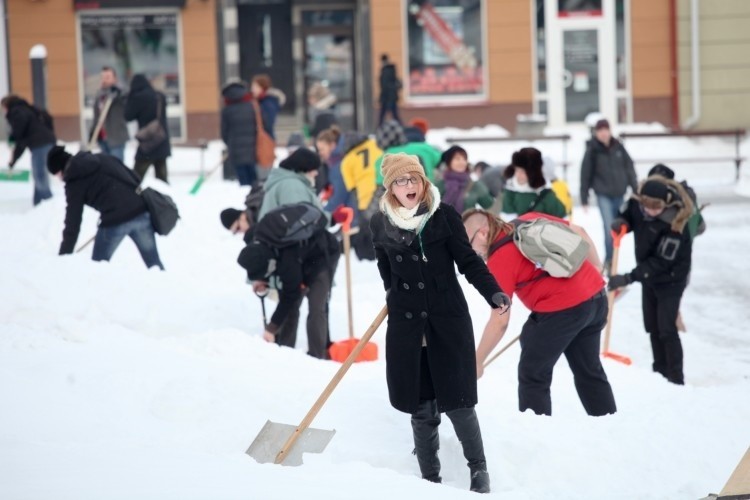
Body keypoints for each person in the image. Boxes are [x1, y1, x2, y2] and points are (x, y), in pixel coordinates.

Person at [370, 152, 511, 493]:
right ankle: (429, 476)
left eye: (414, 179)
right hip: (408, 325)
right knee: (421, 404)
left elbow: (468, 262)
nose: (410, 186)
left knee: (459, 400)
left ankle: (479, 471)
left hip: (447, 320)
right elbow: (385, 271)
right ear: (391, 188)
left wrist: (493, 292)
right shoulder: (381, 223)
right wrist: (397, 295)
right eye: (401, 181)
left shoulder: (444, 216)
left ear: (423, 181)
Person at [462, 209, 617, 417]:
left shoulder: (499, 258)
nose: (474, 254)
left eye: (470, 246)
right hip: (596, 299)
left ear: (482, 233)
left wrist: (477, 361)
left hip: (564, 311)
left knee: (532, 373)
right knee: (589, 370)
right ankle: (606, 421)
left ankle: (535, 436)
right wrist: (597, 267)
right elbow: (579, 231)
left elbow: (500, 321)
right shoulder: (528, 220)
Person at [238, 147, 342, 359]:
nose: (316, 174)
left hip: (316, 254)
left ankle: (312, 356)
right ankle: (290, 354)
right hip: (305, 255)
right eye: (313, 170)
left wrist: (261, 278)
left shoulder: (285, 185)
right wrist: (260, 278)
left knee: (310, 305)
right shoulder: (292, 187)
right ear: (303, 169)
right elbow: (309, 220)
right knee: (301, 304)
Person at [608, 177, 695, 385]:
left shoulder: (676, 222)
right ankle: (660, 374)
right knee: (652, 327)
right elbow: (628, 214)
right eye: (647, 208)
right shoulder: (639, 206)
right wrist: (623, 222)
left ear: (665, 204)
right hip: (650, 280)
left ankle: (675, 378)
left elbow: (661, 262)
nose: (651, 212)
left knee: (666, 328)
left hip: (671, 279)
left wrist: (628, 278)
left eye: (657, 209)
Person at [46, 145, 163, 270]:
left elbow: (72, 222)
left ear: (60, 169)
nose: (59, 179)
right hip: (140, 210)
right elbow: (135, 177)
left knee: (98, 266)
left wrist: (64, 255)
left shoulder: (73, 182)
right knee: (154, 264)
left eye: (57, 175)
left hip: (115, 220)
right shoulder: (101, 158)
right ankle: (163, 286)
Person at [580, 118, 637, 271]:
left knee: (618, 227)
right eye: (600, 131)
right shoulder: (592, 150)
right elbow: (585, 174)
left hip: (619, 193)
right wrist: (584, 197)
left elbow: (629, 168)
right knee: (608, 227)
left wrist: (635, 189)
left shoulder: (619, 147)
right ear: (596, 133)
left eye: (606, 130)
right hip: (603, 194)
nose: (604, 133)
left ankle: (613, 258)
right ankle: (610, 260)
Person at [1, 94, 55, 205]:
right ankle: (39, 203)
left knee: (39, 174)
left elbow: (20, 137)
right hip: (44, 142)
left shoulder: (17, 112)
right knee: (38, 174)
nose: (3, 111)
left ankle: (49, 202)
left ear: (6, 105)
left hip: (41, 144)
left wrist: (13, 158)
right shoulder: (24, 109)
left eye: (3, 108)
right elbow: (22, 139)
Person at [124, 74, 171, 183]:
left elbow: (128, 116)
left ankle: (134, 198)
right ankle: (164, 199)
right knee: (162, 179)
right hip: (161, 140)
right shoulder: (159, 96)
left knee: (135, 179)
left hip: (147, 144)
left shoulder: (137, 97)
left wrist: (129, 98)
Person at [502, 147, 567, 218]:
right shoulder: (510, 191)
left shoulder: (545, 194)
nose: (518, 175)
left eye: (523, 171)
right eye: (517, 170)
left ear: (533, 173)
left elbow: (561, 216)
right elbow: (506, 219)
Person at [220, 80, 258, 186]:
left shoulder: (227, 110)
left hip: (236, 149)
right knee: (254, 179)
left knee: (243, 181)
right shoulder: (252, 106)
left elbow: (224, 132)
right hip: (253, 148)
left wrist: (230, 143)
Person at [435, 145, 494, 213]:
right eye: (457, 159)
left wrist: (484, 190)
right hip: (443, 223)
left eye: (464, 159)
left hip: (467, 223)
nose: (462, 162)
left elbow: (488, 205)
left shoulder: (474, 185)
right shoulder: (439, 185)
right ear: (449, 161)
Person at [88, 66, 128, 163]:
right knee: (107, 168)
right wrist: (92, 133)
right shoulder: (99, 95)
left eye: (108, 77)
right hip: (102, 138)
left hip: (116, 138)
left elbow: (126, 97)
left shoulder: (119, 93)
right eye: (103, 77)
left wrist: (117, 90)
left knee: (117, 167)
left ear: (115, 78)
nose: (105, 80)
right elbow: (97, 117)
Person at [250, 74, 285, 141]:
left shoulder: (268, 103)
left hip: (265, 140)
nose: (252, 90)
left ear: (262, 87)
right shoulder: (258, 102)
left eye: (255, 87)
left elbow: (268, 124)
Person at [378, 54, 401, 126]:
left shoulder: (386, 70)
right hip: (391, 96)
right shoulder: (390, 69)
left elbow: (385, 85)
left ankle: (379, 129)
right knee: (394, 115)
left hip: (388, 96)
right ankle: (402, 128)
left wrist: (383, 97)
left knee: (384, 115)